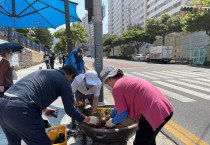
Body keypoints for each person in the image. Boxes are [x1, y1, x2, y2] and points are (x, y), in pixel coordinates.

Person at [0, 65, 100, 145]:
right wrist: (88, 119)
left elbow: (33, 92)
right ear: (71, 75)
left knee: (13, 142)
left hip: (3, 105)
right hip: (21, 110)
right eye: (71, 80)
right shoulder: (63, 80)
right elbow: (70, 110)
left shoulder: (46, 72)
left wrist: (45, 110)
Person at [100, 67, 173, 145]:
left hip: (153, 112)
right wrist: (111, 115)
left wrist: (113, 122)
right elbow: (119, 107)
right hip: (165, 109)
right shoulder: (126, 81)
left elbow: (122, 113)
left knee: (140, 142)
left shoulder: (117, 88)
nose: (107, 84)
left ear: (109, 79)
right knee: (148, 140)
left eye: (106, 82)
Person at [71, 70, 101, 143]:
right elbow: (71, 93)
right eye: (88, 83)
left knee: (96, 111)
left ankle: (94, 129)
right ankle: (83, 133)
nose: (90, 86)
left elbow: (96, 98)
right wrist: (74, 102)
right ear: (84, 79)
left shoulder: (98, 83)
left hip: (91, 95)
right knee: (79, 110)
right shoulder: (77, 80)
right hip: (79, 93)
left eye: (92, 84)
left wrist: (94, 113)